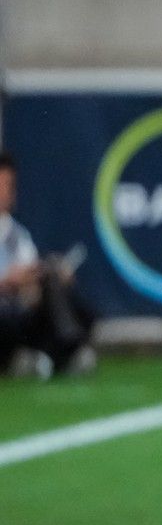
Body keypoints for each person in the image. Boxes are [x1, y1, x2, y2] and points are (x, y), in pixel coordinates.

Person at [0, 154, 98, 380]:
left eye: (9, 185)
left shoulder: (17, 234)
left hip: (18, 308)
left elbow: (32, 270)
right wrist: (6, 281)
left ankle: (61, 349)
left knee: (55, 283)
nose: (7, 192)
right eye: (3, 185)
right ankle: (64, 350)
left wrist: (47, 276)